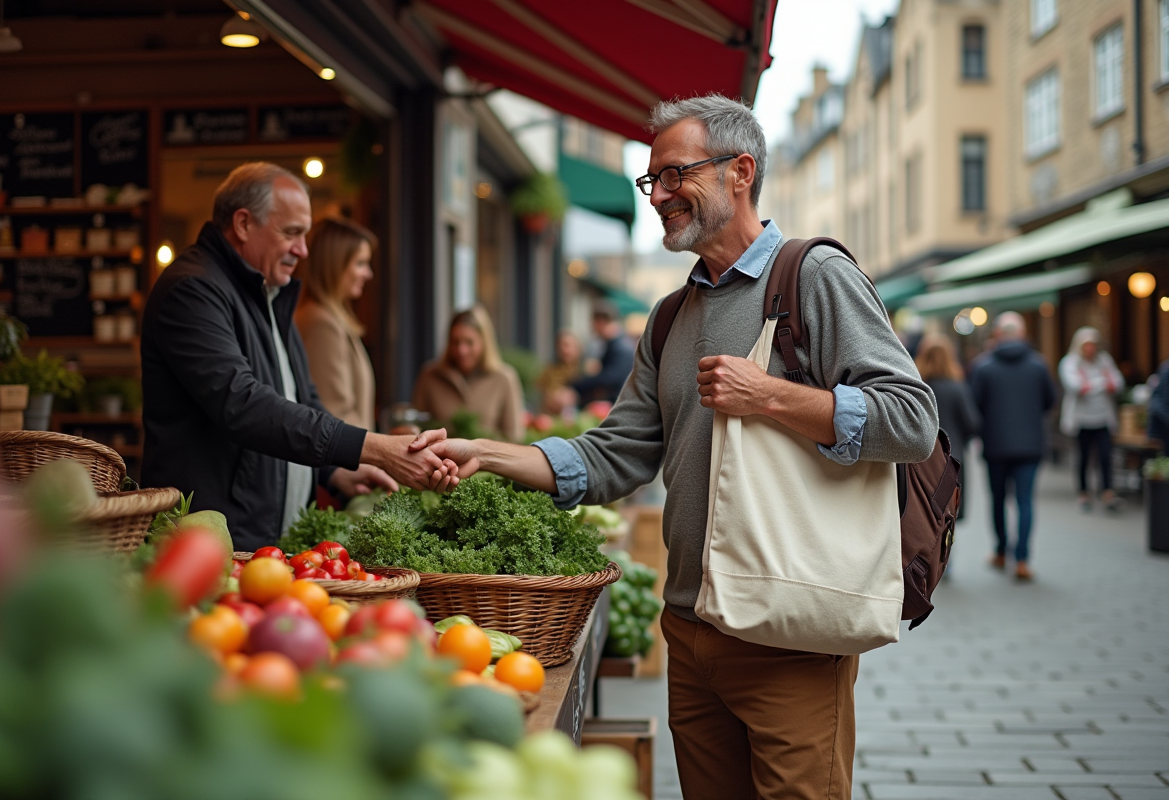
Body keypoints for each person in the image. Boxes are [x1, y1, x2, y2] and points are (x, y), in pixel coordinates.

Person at [414, 96, 938, 799]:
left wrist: (770, 396)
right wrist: (492, 454)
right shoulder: (670, 318)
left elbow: (912, 419)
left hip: (790, 637)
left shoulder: (813, 276)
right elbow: (616, 454)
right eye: (649, 181)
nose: (657, 196)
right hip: (689, 637)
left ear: (740, 171)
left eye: (673, 174)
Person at [141, 162, 457, 552]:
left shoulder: (269, 291)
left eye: (304, 235)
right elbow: (242, 405)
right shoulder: (192, 290)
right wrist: (373, 449)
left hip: (262, 542)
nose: (302, 250)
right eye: (291, 233)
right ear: (242, 224)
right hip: (210, 545)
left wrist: (335, 470)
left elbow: (301, 399)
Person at [970, 312, 1057, 581]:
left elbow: (975, 406)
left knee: (997, 500)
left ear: (998, 335)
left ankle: (1000, 551)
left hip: (996, 444)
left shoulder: (983, 367)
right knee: (1025, 501)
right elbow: (1050, 401)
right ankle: (1022, 559)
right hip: (1030, 445)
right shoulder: (1039, 365)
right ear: (1021, 334)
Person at [295, 216, 377, 431]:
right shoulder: (321, 324)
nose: (368, 274)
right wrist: (381, 452)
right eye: (360, 263)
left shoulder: (330, 319)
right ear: (334, 265)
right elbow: (334, 414)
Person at [411, 305, 525, 442]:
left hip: (487, 462)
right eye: (455, 342)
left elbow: (514, 438)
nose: (461, 350)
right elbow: (416, 427)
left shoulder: (504, 378)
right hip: (438, 461)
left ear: (484, 342)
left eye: (469, 342)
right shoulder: (430, 376)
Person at [1058, 327, 1125, 512]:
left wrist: (1092, 384)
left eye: (1093, 345)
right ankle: (1083, 493)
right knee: (1083, 458)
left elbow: (1118, 384)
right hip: (1081, 420)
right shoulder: (1070, 362)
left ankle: (1107, 492)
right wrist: (1102, 383)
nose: (1090, 349)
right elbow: (1077, 387)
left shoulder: (1104, 361)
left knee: (1106, 456)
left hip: (1103, 417)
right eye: (1087, 345)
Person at [915, 333, 979, 518]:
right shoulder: (958, 388)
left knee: (924, 516)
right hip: (953, 459)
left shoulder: (917, 389)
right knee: (949, 514)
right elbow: (972, 423)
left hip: (920, 459)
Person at [570, 300, 635, 405]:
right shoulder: (618, 344)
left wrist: (576, 386)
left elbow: (609, 378)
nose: (592, 327)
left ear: (601, 322)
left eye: (593, 323)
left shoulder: (620, 347)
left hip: (616, 404)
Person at [536, 330, 582, 415]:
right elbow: (540, 394)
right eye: (560, 346)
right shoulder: (549, 370)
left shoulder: (586, 369)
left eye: (567, 345)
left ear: (577, 348)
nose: (563, 350)